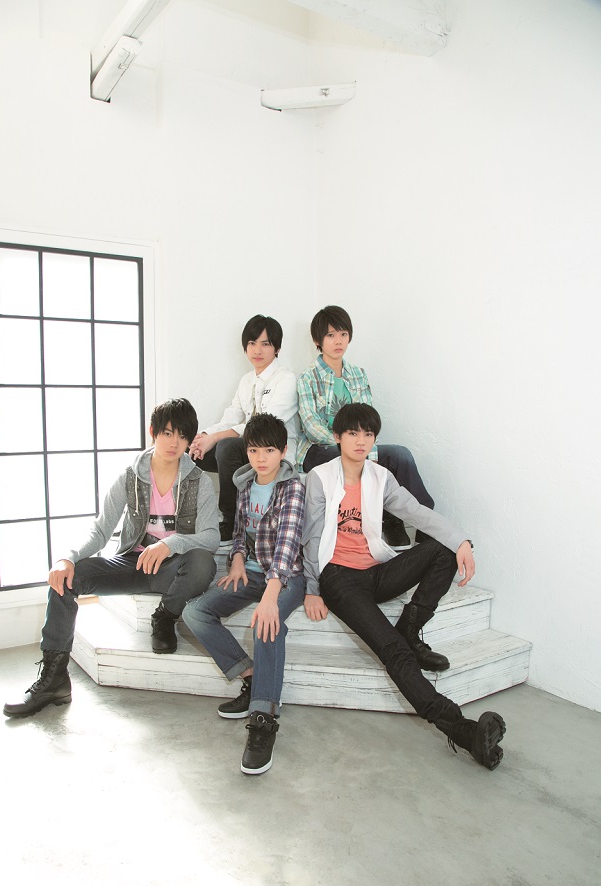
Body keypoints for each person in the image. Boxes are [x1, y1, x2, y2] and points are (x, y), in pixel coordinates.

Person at [301, 402, 506, 770]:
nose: (361, 440)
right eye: (353, 433)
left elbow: (417, 512)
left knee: (442, 550)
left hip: (376, 570)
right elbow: (311, 537)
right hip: (339, 578)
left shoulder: (380, 477)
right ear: (337, 437)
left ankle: (410, 629)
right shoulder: (320, 477)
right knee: (394, 651)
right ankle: (461, 729)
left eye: (368, 434)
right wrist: (312, 589)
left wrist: (461, 540)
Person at [3, 398, 219, 718]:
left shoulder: (199, 482)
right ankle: (54, 679)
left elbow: (211, 537)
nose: (175, 442)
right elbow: (102, 529)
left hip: (171, 569)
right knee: (67, 579)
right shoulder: (131, 477)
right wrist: (67, 558)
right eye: (167, 433)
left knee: (203, 562)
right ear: (153, 432)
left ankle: (165, 617)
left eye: (183, 435)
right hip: (132, 563)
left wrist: (171, 544)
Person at [183, 413, 305, 775]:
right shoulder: (245, 484)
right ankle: (252, 678)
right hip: (251, 572)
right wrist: (236, 559)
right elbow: (239, 532)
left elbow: (288, 544)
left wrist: (270, 597)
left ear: (283, 451)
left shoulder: (293, 487)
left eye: (269, 450)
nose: (261, 458)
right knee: (194, 612)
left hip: (287, 577)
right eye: (254, 450)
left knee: (266, 624)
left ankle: (263, 719)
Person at [296, 305, 434, 550]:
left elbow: (367, 417)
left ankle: (426, 522)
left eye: (343, 334)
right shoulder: (307, 378)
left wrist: (359, 443)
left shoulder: (357, 374)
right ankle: (389, 520)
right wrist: (346, 443)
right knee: (356, 457)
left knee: (399, 455)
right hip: (319, 449)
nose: (338, 341)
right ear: (317, 340)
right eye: (330, 335)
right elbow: (310, 425)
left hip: (355, 444)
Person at [188, 315, 300, 546]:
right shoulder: (247, 380)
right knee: (192, 451)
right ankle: (189, 518)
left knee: (226, 446)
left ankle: (230, 521)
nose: (257, 350)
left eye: (265, 344)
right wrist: (205, 437)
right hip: (247, 449)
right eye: (252, 343)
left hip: (271, 450)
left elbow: (263, 426)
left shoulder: (286, 379)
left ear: (277, 348)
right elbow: (232, 415)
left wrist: (217, 437)